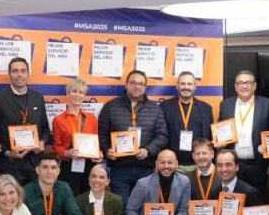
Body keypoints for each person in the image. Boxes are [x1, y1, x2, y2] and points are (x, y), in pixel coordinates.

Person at [98, 70, 169, 207]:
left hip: (145, 168)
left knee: (143, 208)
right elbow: (101, 133)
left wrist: (148, 150)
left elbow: (162, 135)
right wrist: (107, 150)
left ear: (145, 87)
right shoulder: (110, 106)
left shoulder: (155, 109)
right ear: (126, 85)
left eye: (141, 84)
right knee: (121, 207)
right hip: (119, 169)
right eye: (133, 83)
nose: (137, 86)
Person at [0, 57, 50, 185]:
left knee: (34, 198)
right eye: (15, 71)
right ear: (9, 74)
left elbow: (45, 128)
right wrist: (8, 153)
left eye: (23, 71)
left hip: (34, 164)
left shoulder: (37, 97)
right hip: (10, 165)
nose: (19, 74)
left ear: (28, 74)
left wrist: (42, 142)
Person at [217, 70, 269, 201]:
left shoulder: (267, 104)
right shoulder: (226, 104)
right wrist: (219, 141)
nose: (244, 86)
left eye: (248, 83)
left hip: (258, 165)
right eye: (240, 83)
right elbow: (219, 130)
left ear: (254, 86)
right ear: (235, 86)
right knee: (234, 202)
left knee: (257, 202)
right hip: (233, 165)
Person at [51, 79, 101, 196]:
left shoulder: (91, 119)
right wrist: (66, 152)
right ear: (68, 93)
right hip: (69, 165)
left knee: (88, 199)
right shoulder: (58, 120)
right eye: (74, 91)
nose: (77, 95)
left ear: (84, 95)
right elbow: (56, 146)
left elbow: (96, 144)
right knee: (70, 199)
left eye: (81, 92)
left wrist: (99, 154)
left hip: (89, 165)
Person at [159, 71, 214, 174]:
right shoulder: (164, 107)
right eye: (183, 84)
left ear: (195, 86)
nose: (186, 87)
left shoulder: (206, 108)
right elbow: (160, 135)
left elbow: (211, 137)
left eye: (189, 84)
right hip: (173, 166)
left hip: (199, 165)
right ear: (177, 86)